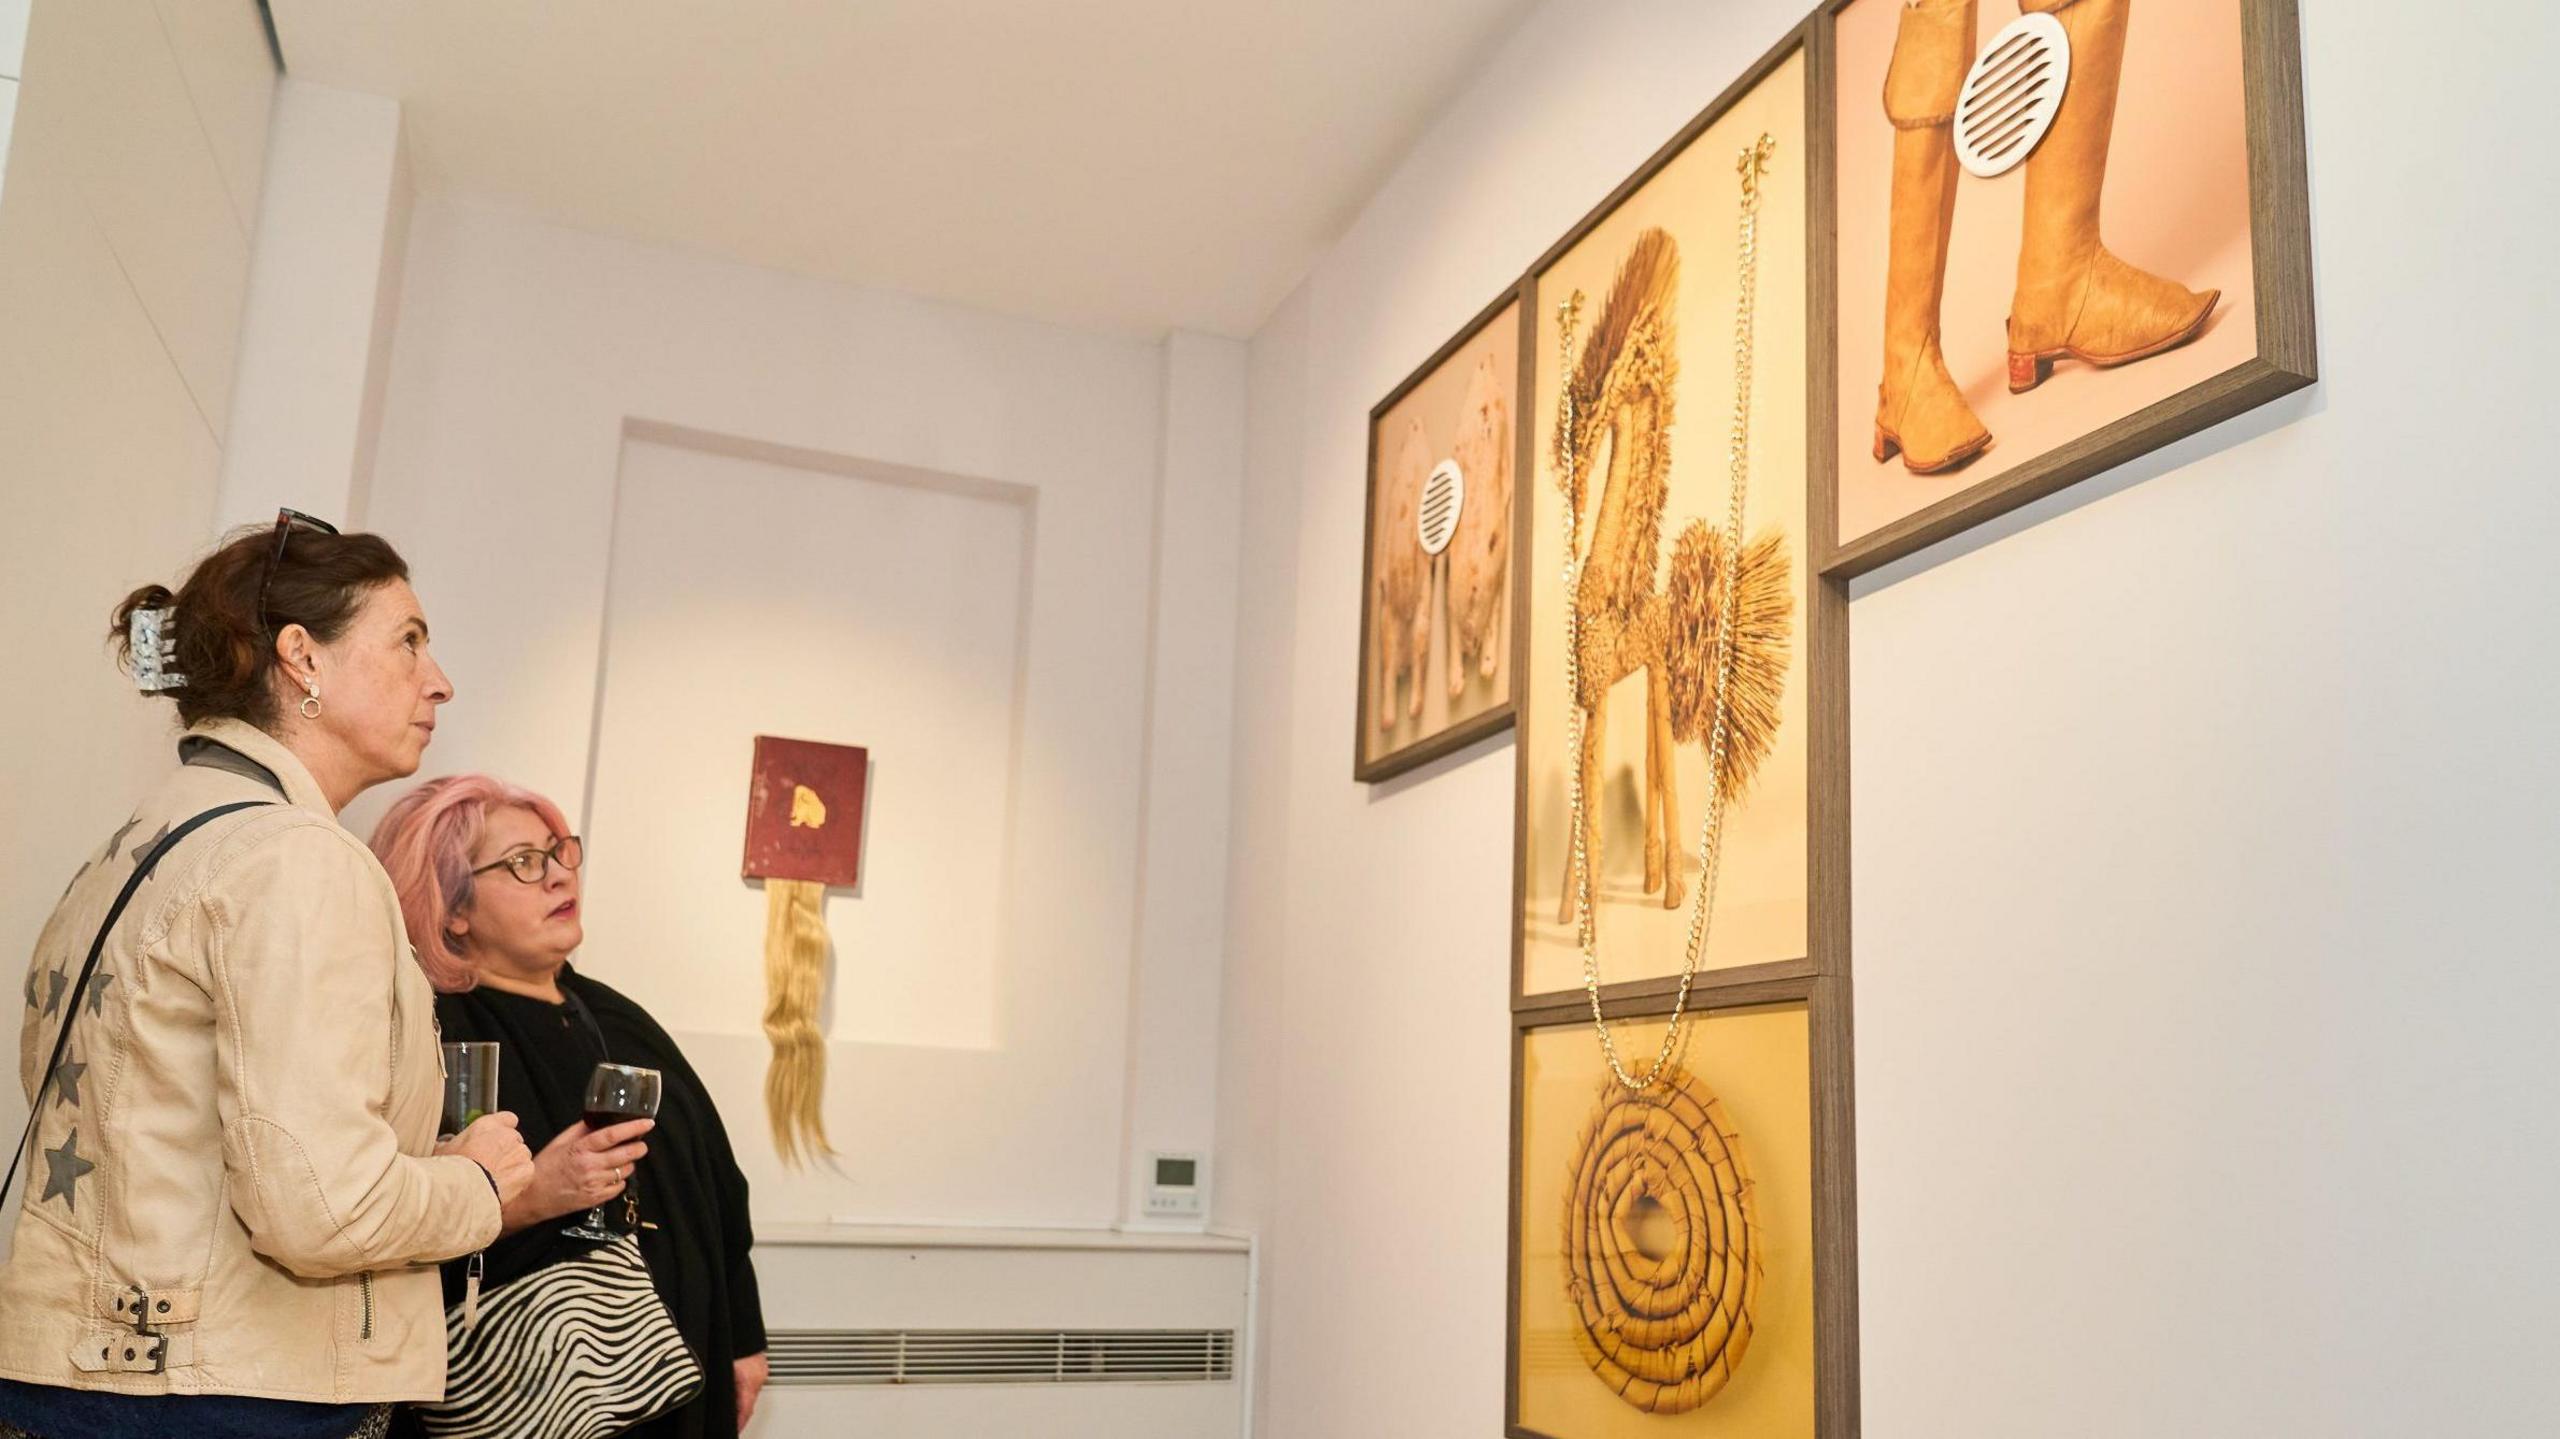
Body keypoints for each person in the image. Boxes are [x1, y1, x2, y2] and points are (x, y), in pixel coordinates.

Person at [0, 513, 536, 1439]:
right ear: (303, 659)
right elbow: (320, 1206)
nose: (438, 680)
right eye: (408, 641)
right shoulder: (294, 857)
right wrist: (478, 1185)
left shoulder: (138, 844)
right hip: (220, 1394)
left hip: (87, 1375)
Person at [371, 775, 769, 1437]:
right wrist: (531, 1194)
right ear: (452, 905)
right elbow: (382, 1219)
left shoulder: (617, 1015)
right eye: (523, 862)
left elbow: (717, 1192)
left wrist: (742, 1336)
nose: (559, 876)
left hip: (679, 1380)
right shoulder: (428, 1035)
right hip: (525, 1397)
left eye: (560, 852)